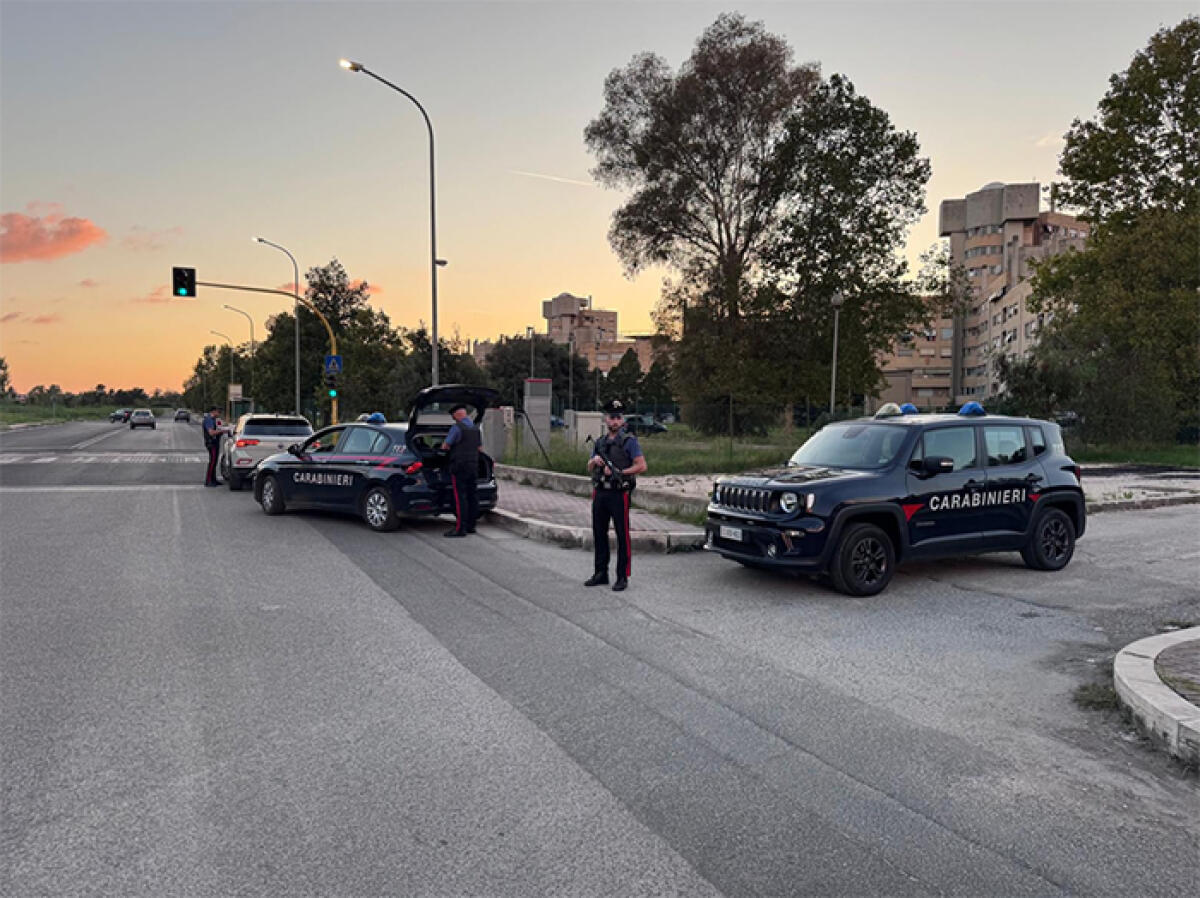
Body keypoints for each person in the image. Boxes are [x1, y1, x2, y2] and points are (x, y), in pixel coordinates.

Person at [585, 399, 647, 591]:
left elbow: (641, 466)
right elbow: (588, 467)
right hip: (600, 492)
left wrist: (620, 472)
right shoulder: (600, 443)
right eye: (612, 417)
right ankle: (600, 572)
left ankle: (622, 576)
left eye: (618, 417)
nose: (615, 421)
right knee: (599, 533)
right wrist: (594, 461)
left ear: (622, 420)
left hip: (619, 494)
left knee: (622, 535)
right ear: (606, 419)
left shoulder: (629, 442)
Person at [440, 404, 481, 537]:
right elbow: (480, 449)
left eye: (453, 416)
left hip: (460, 467)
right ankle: (471, 526)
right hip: (473, 466)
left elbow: (446, 446)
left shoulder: (457, 428)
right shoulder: (476, 429)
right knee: (472, 495)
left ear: (456, 415)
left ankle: (460, 529)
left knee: (460, 498)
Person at [201, 405, 228, 487]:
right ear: (213, 411)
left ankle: (213, 480)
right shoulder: (209, 420)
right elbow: (211, 432)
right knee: (212, 462)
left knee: (215, 461)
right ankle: (208, 481)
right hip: (211, 443)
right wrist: (222, 431)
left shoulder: (213, 420)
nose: (219, 413)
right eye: (218, 411)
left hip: (214, 442)